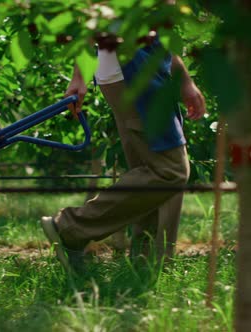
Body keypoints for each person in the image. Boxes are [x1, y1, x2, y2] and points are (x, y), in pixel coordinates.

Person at [41, 35, 206, 275]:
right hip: (134, 71)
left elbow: (161, 27)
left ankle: (146, 268)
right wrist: (79, 75)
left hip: (142, 69)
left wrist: (182, 78)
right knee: (170, 170)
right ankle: (71, 227)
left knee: (150, 170)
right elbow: (95, 11)